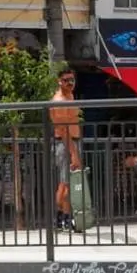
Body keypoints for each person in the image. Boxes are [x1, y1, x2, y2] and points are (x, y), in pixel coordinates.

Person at [49, 68, 81, 231]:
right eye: (66, 80)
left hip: (72, 141)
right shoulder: (59, 100)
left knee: (64, 183)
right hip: (65, 143)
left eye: (72, 80)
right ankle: (67, 219)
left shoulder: (70, 96)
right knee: (69, 183)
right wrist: (74, 153)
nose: (70, 83)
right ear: (59, 81)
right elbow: (62, 130)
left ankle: (59, 218)